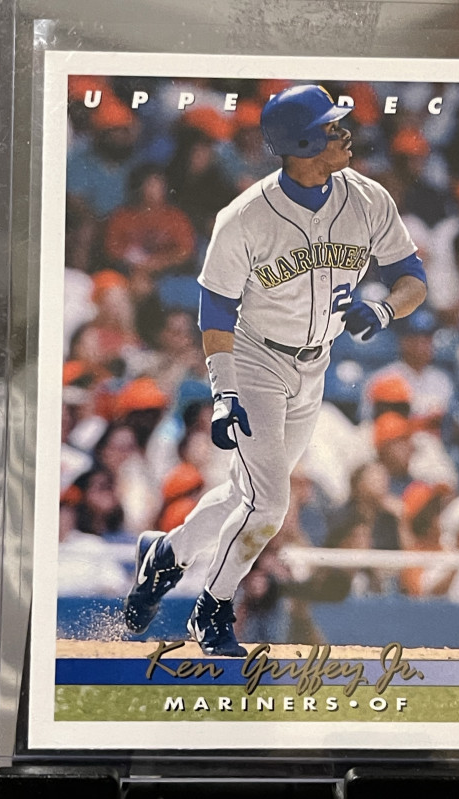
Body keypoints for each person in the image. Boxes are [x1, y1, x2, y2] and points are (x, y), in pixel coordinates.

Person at [124, 84, 427, 656]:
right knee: (268, 505)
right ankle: (212, 609)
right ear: (304, 144)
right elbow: (216, 311)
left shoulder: (367, 198)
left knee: (248, 492)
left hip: (316, 364)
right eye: (332, 128)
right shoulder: (245, 216)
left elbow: (413, 276)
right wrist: (224, 391)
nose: (346, 134)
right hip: (256, 357)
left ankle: (166, 554)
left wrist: (386, 309)